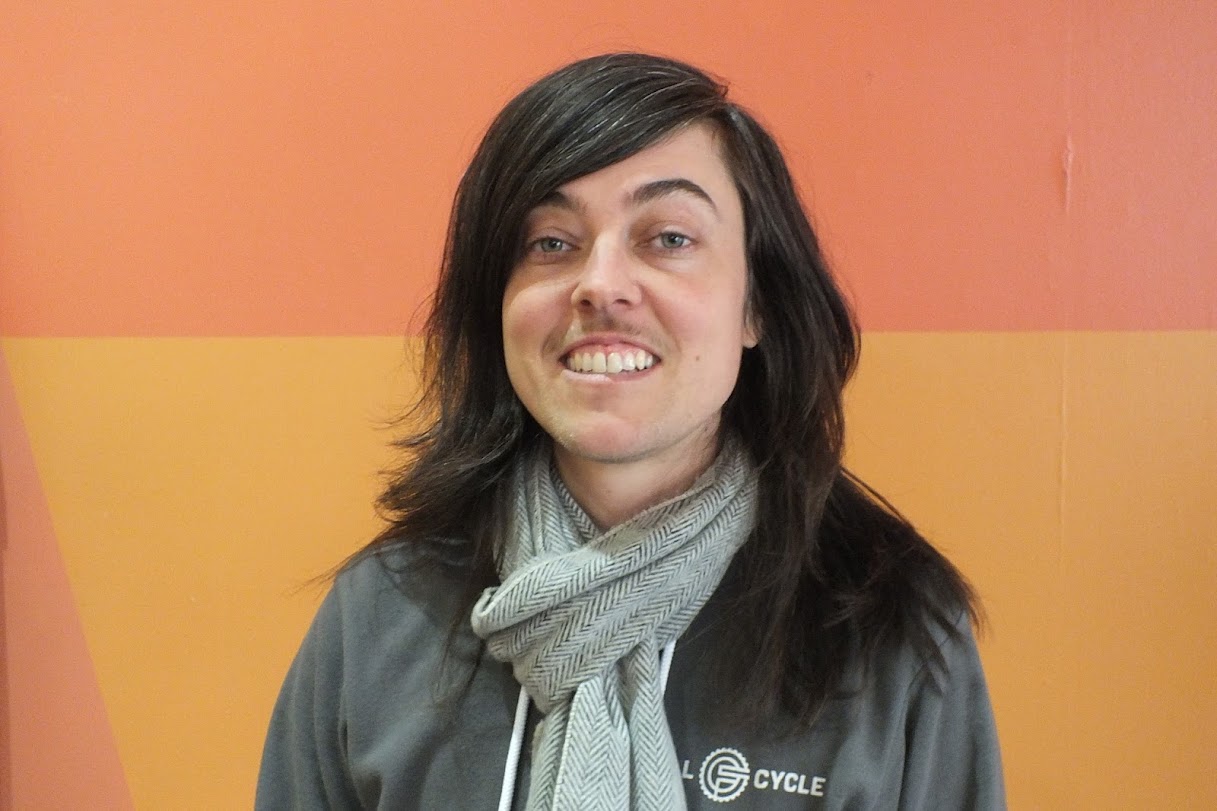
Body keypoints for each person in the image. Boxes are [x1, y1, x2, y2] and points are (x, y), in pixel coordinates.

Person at [256, 53, 1006, 809]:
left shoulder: (889, 628)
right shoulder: (380, 615)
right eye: (551, 242)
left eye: (668, 237)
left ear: (757, 305)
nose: (600, 285)